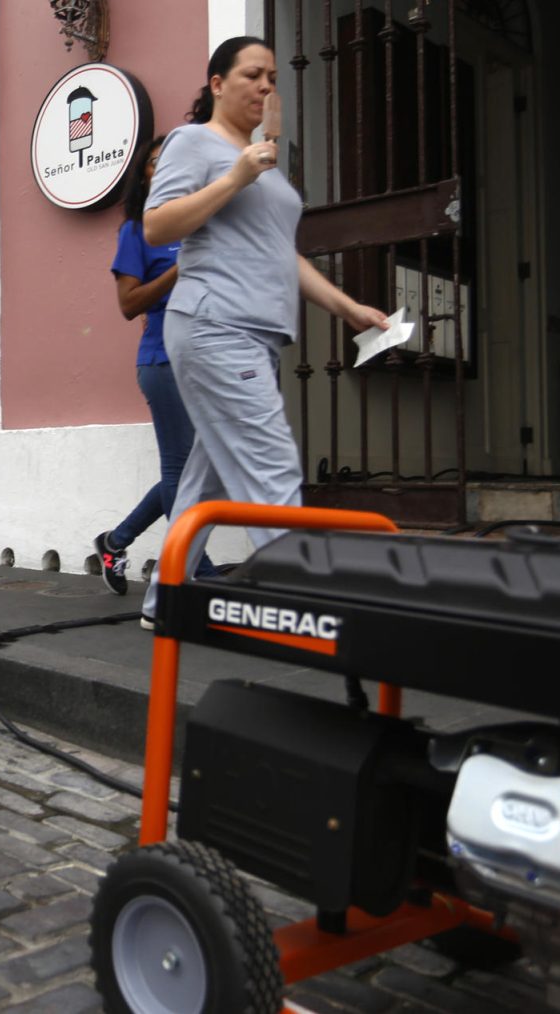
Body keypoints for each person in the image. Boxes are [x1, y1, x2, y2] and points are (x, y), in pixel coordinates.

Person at [138, 35, 389, 627]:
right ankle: (303, 607)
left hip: (254, 332)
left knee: (209, 476)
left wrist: (348, 307)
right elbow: (156, 226)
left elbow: (282, 254)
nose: (266, 86)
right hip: (214, 323)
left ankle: (162, 603)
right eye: (252, 74)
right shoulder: (193, 142)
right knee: (272, 461)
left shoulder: (265, 162)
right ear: (218, 84)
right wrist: (234, 178)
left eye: (272, 77)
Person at [92, 135, 198, 595]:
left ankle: (116, 540)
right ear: (147, 174)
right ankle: (197, 567)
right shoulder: (135, 229)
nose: (169, 167)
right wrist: (180, 269)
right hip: (162, 361)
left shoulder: (196, 224)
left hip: (203, 362)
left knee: (193, 467)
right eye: (159, 161)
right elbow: (128, 304)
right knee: (180, 468)